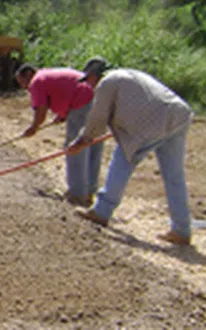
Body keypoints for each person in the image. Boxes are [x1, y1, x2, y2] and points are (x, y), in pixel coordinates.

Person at [67, 57, 195, 246]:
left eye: (88, 80)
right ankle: (182, 230)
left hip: (152, 121)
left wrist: (82, 140)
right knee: (174, 176)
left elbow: (98, 118)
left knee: (122, 159)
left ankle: (101, 212)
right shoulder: (129, 74)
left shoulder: (107, 82)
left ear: (95, 75)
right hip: (178, 115)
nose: (89, 85)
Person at [15, 62, 104, 207]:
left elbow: (41, 111)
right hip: (96, 100)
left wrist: (34, 127)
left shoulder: (37, 81)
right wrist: (63, 115)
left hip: (82, 103)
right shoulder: (47, 75)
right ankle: (89, 192)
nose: (25, 87)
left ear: (29, 74)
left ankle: (77, 194)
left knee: (75, 148)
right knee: (91, 146)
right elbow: (65, 91)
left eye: (23, 82)